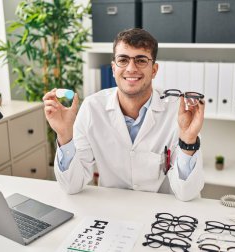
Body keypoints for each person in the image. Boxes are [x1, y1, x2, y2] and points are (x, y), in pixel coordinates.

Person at [43, 28, 205, 201]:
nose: (131, 68)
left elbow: (187, 193)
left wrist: (188, 142)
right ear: (113, 68)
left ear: (154, 70)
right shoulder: (92, 108)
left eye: (141, 60)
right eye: (123, 60)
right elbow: (71, 186)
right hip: (113, 211)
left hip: (163, 217)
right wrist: (64, 135)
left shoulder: (178, 112)